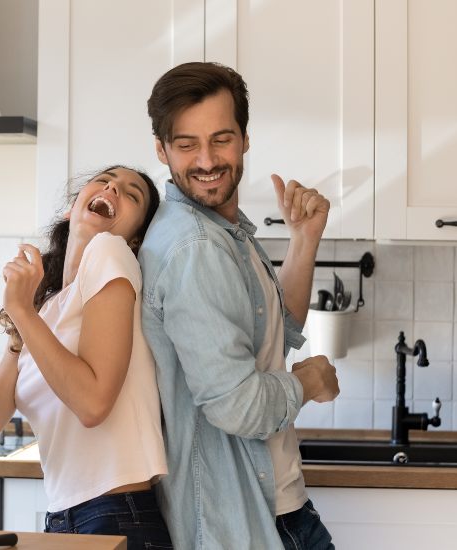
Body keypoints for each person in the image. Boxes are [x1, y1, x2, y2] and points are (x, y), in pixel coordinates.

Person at [139, 61, 340, 549]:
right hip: (245, 519)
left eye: (221, 138)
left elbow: (278, 329)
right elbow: (236, 406)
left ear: (245, 138)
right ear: (161, 149)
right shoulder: (196, 247)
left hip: (275, 506)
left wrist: (303, 241)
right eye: (187, 144)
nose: (207, 160)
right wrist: (307, 383)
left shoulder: (226, 232)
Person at [0, 166, 172, 550]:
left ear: (136, 237)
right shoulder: (46, 307)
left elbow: (93, 404)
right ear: (70, 209)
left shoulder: (111, 253)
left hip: (117, 514)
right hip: (66, 515)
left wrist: (20, 310)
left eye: (132, 194)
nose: (113, 187)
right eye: (106, 179)